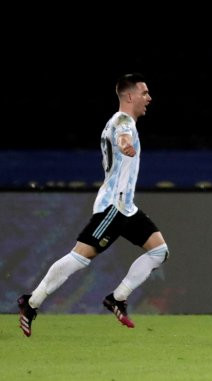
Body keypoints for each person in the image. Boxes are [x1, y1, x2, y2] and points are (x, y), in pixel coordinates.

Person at [17, 73, 169, 336]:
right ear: (130, 96)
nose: (149, 98)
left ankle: (117, 298)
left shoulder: (122, 122)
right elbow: (122, 136)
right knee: (80, 258)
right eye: (145, 93)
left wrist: (124, 145)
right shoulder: (123, 121)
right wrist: (124, 144)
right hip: (113, 208)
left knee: (159, 251)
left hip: (126, 208)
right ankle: (31, 302)